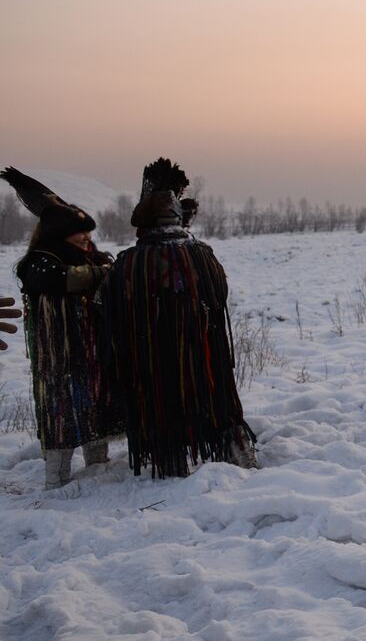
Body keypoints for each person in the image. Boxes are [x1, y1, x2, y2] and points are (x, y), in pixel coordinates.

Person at [100, 158, 257, 478]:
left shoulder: (129, 261)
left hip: (152, 355)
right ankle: (236, 453)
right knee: (217, 401)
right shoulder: (201, 252)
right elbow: (219, 293)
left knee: (163, 404)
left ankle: (171, 463)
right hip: (203, 348)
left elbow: (112, 306)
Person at [3, 167, 124, 489]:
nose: (86, 238)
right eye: (79, 232)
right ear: (58, 235)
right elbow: (62, 280)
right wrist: (101, 273)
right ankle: (56, 481)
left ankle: (98, 466)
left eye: (87, 232)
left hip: (94, 352)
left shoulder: (92, 257)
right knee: (63, 413)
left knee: (96, 403)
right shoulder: (39, 262)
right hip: (59, 359)